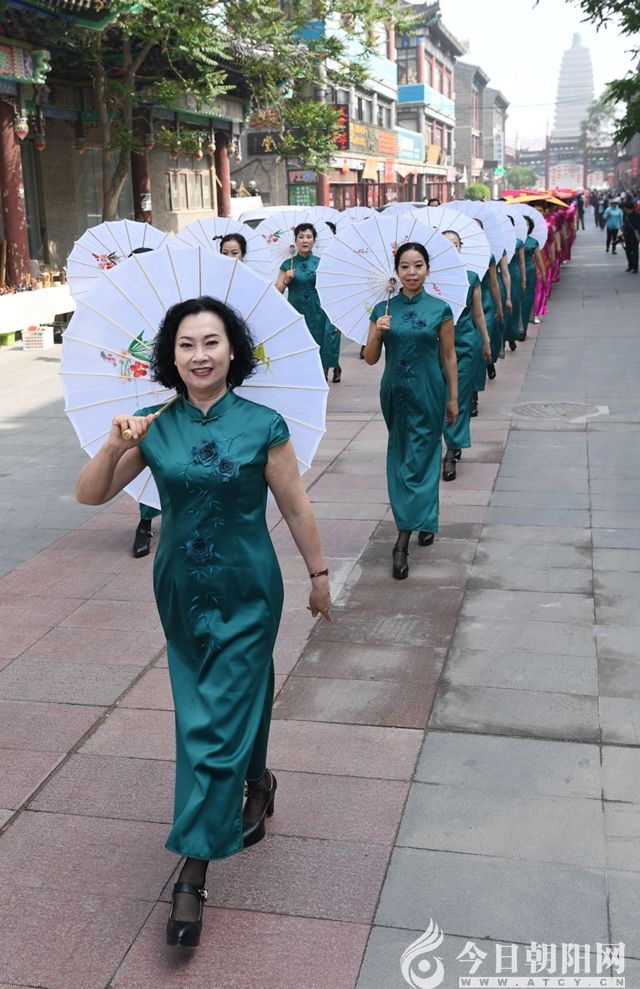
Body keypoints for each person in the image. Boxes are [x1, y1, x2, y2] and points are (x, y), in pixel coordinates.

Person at [75, 295, 332, 948]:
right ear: (171, 355)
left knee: (210, 727)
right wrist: (114, 445)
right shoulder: (154, 426)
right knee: (212, 705)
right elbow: (91, 493)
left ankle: (192, 872)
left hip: (249, 591)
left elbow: (295, 506)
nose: (199, 355)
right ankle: (258, 780)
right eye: (186, 344)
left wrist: (319, 575)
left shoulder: (264, 424)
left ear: (232, 349)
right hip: (182, 593)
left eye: (211, 341)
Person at [363, 242, 458, 579]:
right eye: (405, 266)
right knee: (404, 456)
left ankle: (402, 539)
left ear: (427, 269)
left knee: (423, 455)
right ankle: (425, 518)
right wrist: (378, 332)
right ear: (396, 271)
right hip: (395, 393)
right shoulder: (382, 309)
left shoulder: (440, 309)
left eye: (418, 265)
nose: (412, 272)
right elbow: (370, 358)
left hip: (429, 391)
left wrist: (453, 398)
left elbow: (448, 356)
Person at [441, 230, 491, 482]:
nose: (451, 248)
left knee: (458, 398)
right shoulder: (428, 278)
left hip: (465, 344)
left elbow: (478, 312)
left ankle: (451, 450)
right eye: (446, 244)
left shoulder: (471, 277)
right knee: (437, 398)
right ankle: (442, 443)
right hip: (435, 346)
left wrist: (486, 340)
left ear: (461, 247)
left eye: (455, 244)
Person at [276, 223, 341, 382]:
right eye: (301, 237)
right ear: (296, 240)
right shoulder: (288, 264)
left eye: (309, 237)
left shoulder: (321, 263)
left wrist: (336, 315)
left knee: (322, 342)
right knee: (300, 345)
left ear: (314, 240)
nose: (305, 240)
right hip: (297, 311)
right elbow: (276, 292)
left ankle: (322, 375)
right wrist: (286, 280)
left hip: (319, 310)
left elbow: (331, 290)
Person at [520, 216, 546, 339]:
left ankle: (523, 328)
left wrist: (543, 274)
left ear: (530, 227)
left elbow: (539, 260)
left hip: (529, 272)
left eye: (527, 224)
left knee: (527, 300)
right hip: (516, 272)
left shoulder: (533, 241)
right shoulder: (513, 241)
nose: (524, 227)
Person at [622, 201, 639, 273]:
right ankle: (630, 265)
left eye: (624, 208)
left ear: (627, 208)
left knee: (635, 251)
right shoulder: (626, 215)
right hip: (627, 235)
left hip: (634, 236)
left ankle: (635, 267)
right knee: (628, 251)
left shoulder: (637, 215)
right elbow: (625, 224)